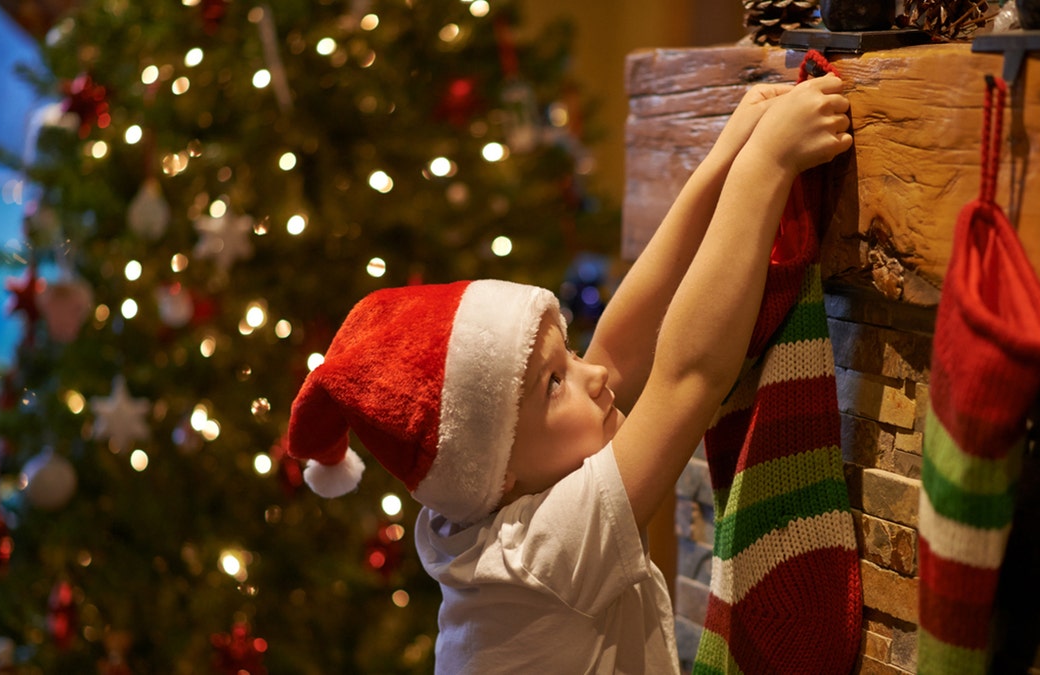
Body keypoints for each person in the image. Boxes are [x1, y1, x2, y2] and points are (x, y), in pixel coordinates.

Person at [286, 72, 852, 673]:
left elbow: (616, 351)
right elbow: (688, 377)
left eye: (569, 356)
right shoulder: (538, 560)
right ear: (497, 469)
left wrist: (725, 156)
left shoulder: (479, 500)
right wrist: (765, 166)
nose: (593, 376)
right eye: (555, 382)